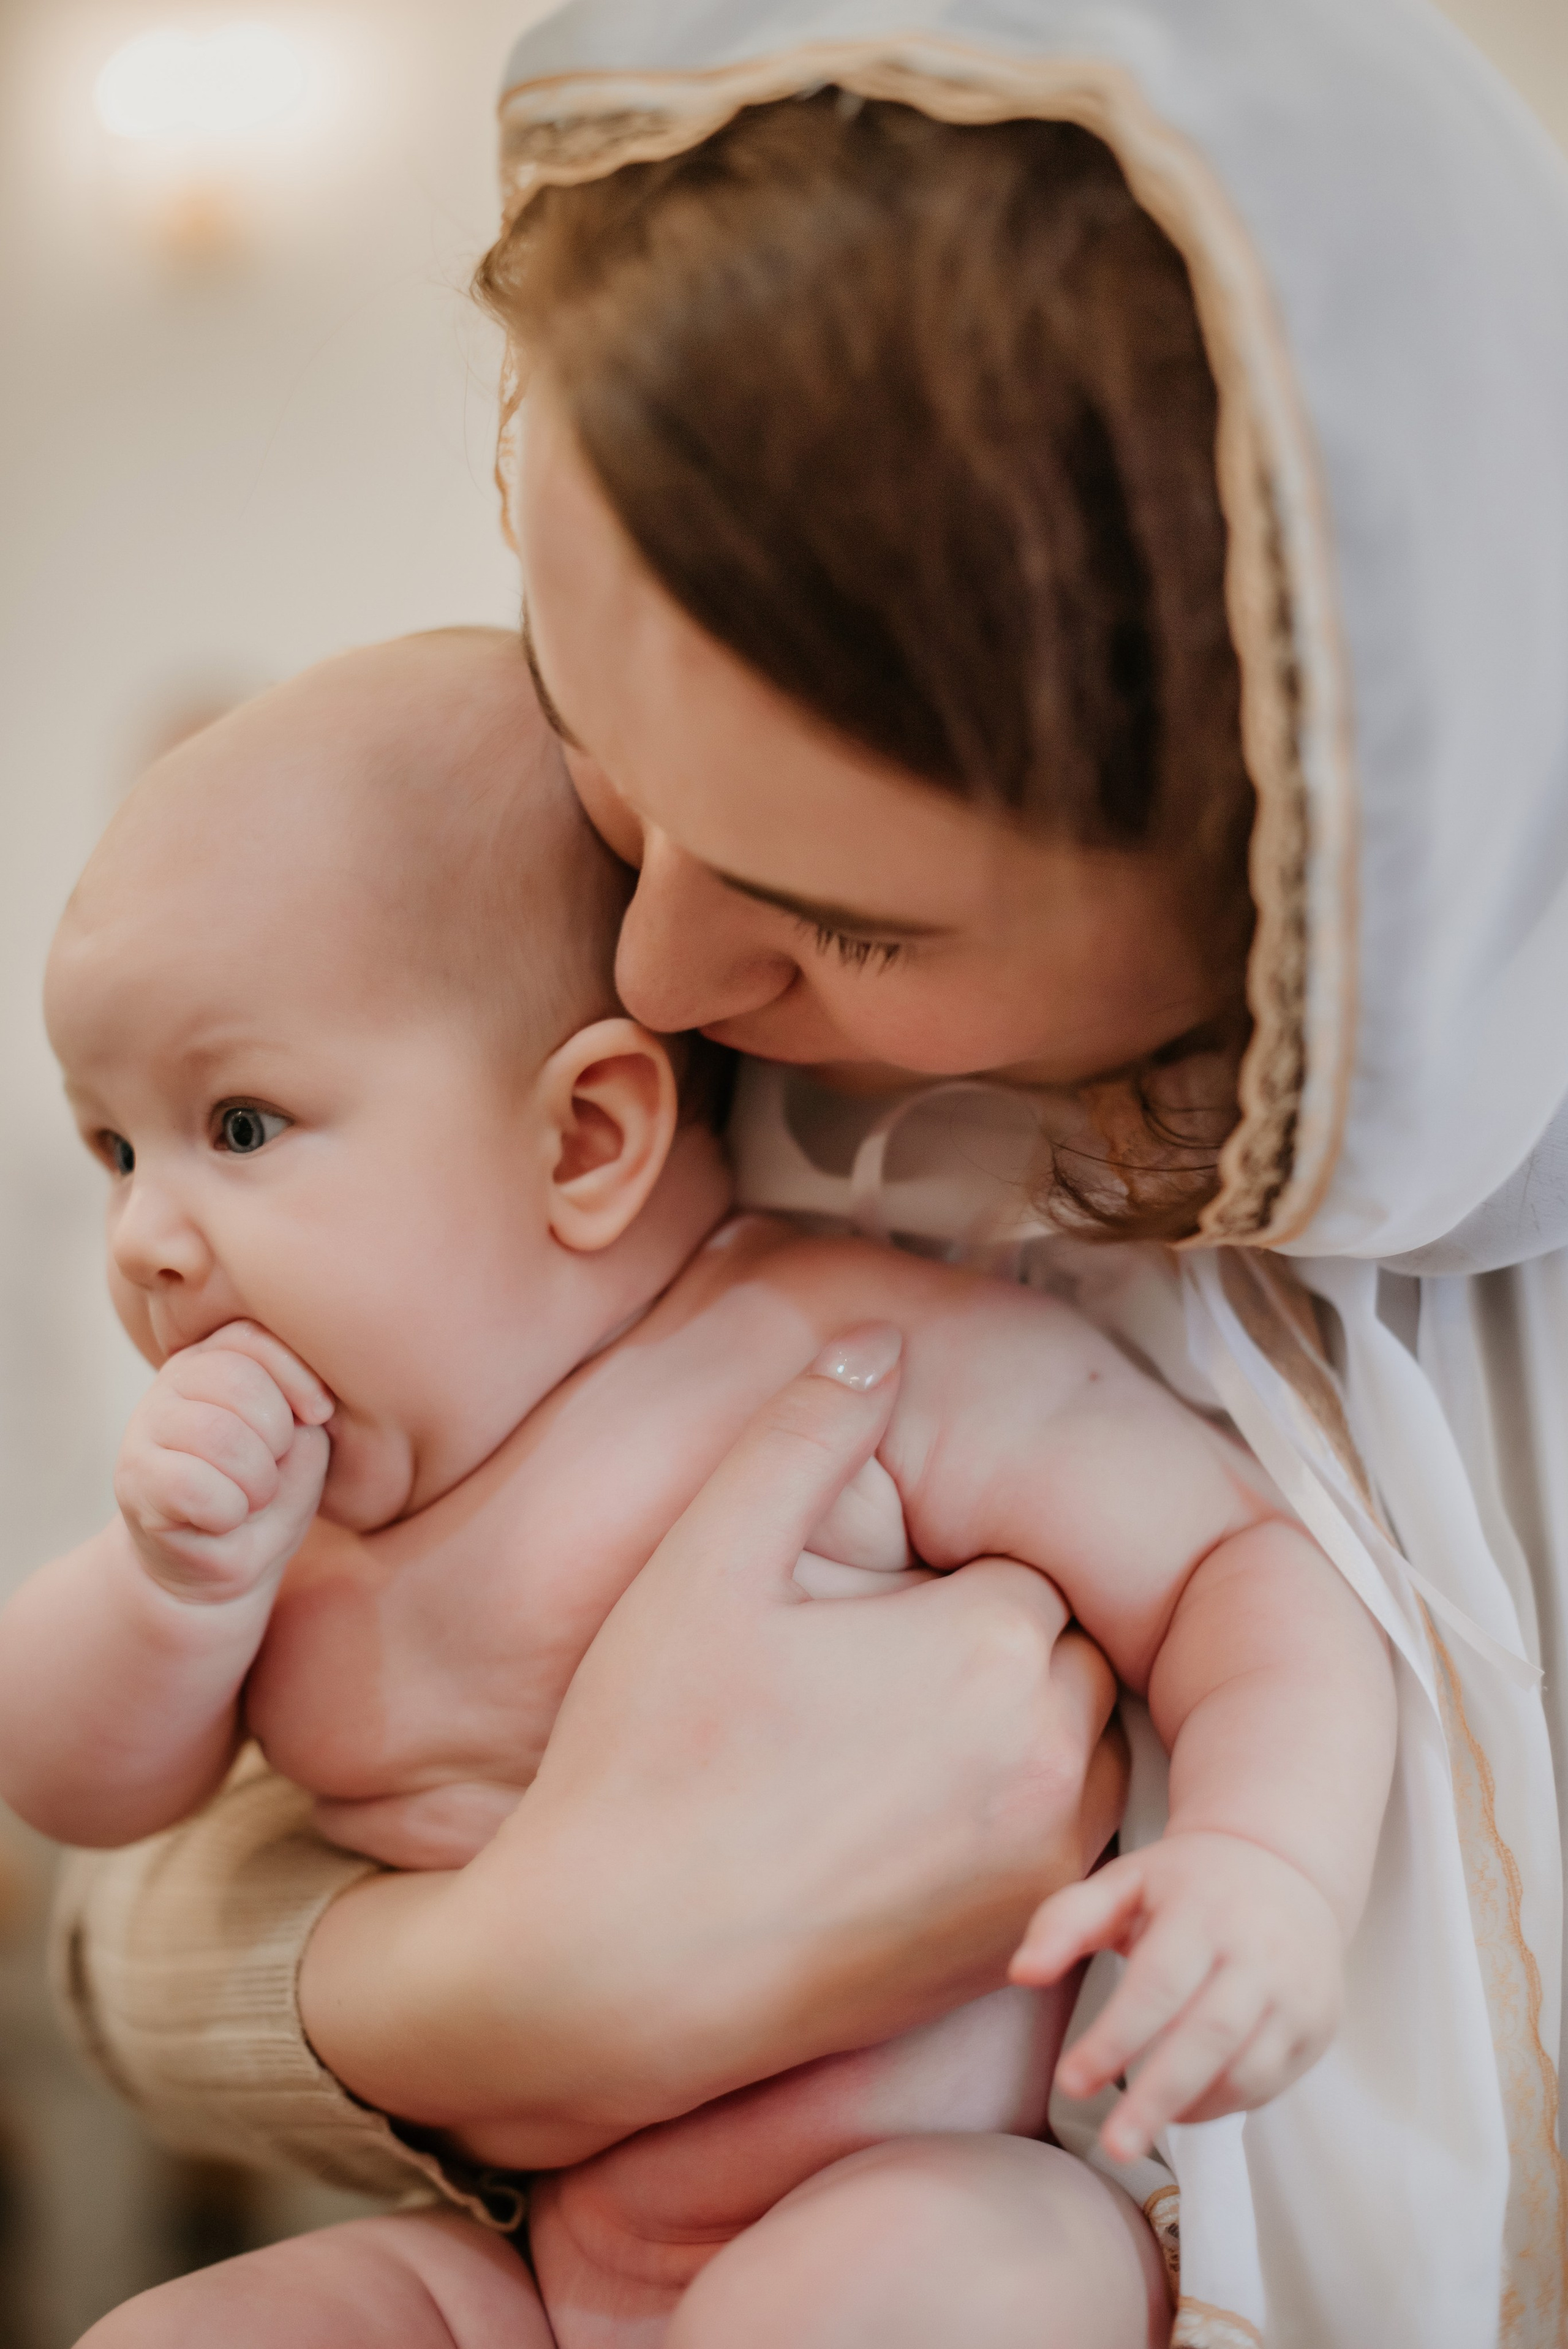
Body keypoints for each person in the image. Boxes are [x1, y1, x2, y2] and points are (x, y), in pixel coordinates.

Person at [47, 2, 1568, 2343]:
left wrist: (1253, 1859)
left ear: (1316, 891)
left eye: (845, 917)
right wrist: (517, 1976)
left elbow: (1252, 1604)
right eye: (610, 786)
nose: (659, 966)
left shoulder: (886, 1335)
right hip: (541, 2246)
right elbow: (130, 1908)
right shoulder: (678, 1150)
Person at [1, 626, 1392, 2346]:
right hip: (525, 2262)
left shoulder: (829, 1348)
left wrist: (1267, 1859)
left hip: (919, 2200)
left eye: (242, 1124)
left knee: (932, 2283)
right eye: (112, 1145)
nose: (144, 1238)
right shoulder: (291, 1535)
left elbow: (1227, 1569)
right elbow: (70, 1783)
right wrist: (170, 1589)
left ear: (586, 1139)